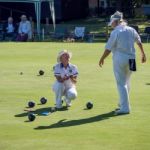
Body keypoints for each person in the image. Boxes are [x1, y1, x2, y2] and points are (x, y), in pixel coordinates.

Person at [99, 11, 146, 115]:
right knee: (127, 82)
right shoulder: (131, 29)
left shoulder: (116, 32)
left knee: (121, 83)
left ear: (116, 21)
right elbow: (139, 42)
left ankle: (125, 108)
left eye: (112, 22)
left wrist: (102, 58)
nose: (111, 24)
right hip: (132, 59)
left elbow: (108, 48)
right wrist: (143, 54)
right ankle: (122, 103)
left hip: (120, 58)